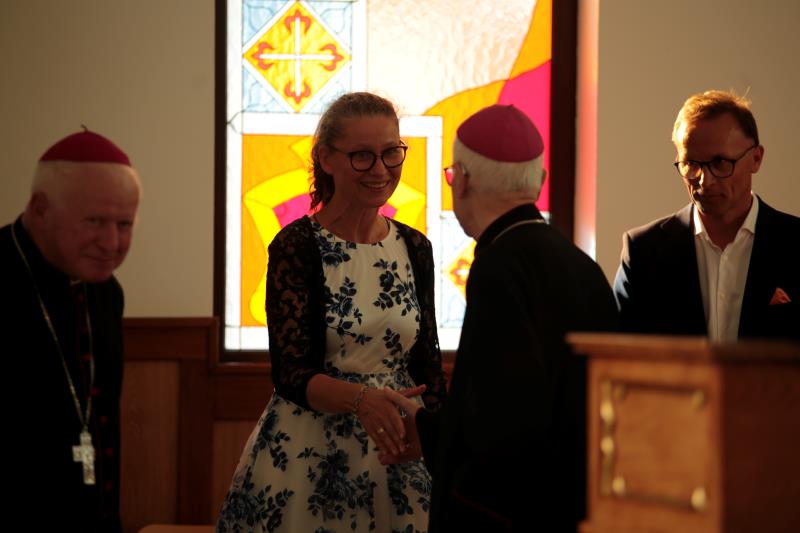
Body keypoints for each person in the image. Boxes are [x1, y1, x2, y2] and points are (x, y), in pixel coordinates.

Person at [217, 92, 447, 532]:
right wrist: (362, 400)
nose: (380, 170)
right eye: (362, 156)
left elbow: (428, 366)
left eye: (391, 152)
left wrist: (443, 445)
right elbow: (290, 373)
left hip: (398, 445)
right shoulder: (297, 245)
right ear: (326, 158)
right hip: (312, 450)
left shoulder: (415, 246)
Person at [382, 104, 618, 532]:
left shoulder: (498, 267)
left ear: (462, 180)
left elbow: (502, 423)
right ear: (539, 181)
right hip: (579, 502)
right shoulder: (582, 265)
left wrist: (426, 431)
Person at [2, 128, 142, 532]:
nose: (111, 243)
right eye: (95, 221)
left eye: (124, 224)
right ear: (40, 208)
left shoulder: (107, 293)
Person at [614, 90, 800, 340]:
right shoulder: (643, 251)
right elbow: (618, 354)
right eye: (691, 164)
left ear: (756, 158)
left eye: (720, 162)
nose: (705, 181)